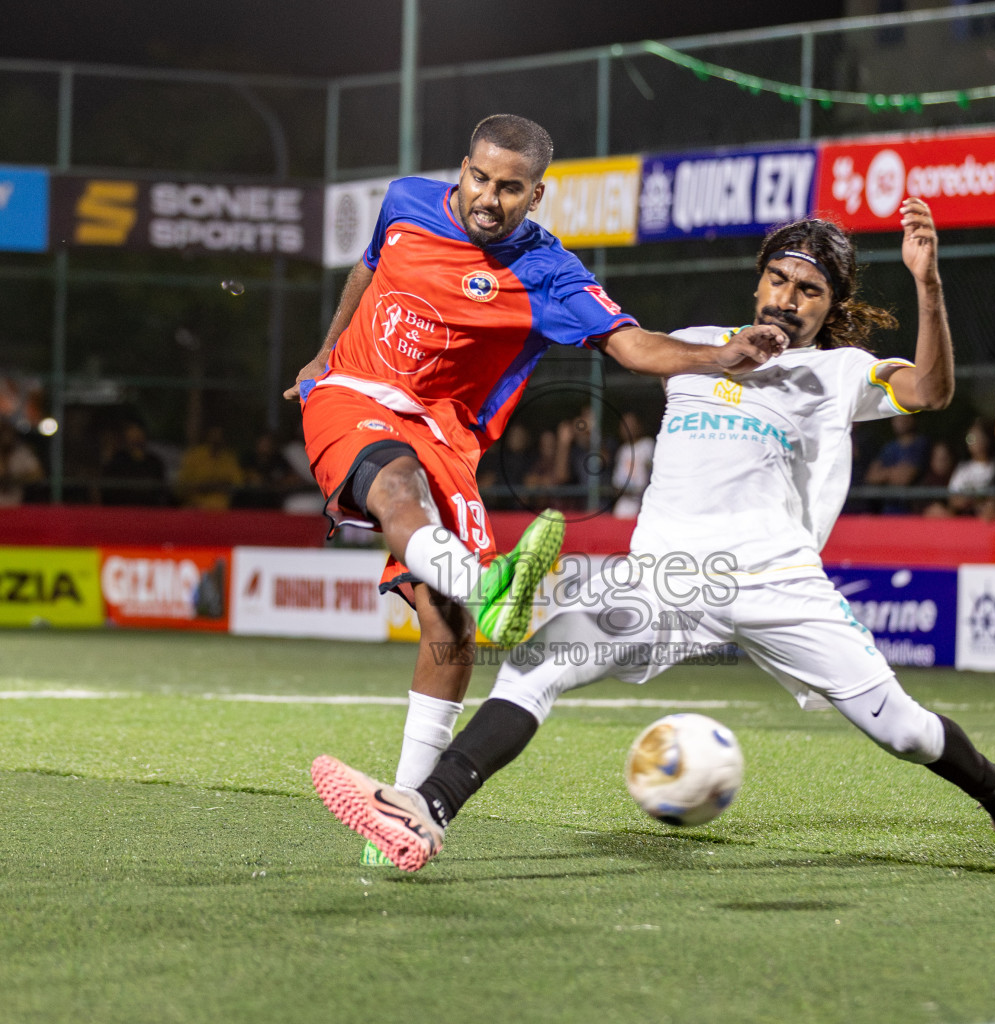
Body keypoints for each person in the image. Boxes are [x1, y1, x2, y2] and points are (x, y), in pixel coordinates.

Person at [310, 204, 995, 877]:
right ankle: (426, 809)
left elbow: (933, 390)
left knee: (904, 731)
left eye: (808, 289)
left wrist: (928, 283)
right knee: (536, 661)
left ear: (826, 306)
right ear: (759, 280)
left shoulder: (837, 372)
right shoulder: (697, 345)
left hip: (777, 581)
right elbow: (618, 339)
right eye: (779, 278)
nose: (788, 297)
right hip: (662, 579)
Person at [286, 114, 783, 864]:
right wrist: (324, 352)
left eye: (509, 188)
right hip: (353, 394)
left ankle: (405, 820)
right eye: (479, 178)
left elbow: (631, 345)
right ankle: (487, 582)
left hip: (447, 434)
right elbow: (367, 266)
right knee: (397, 493)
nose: (489, 197)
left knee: (448, 631)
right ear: (462, 169)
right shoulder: (405, 201)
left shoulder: (548, 272)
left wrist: (720, 357)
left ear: (536, 195)